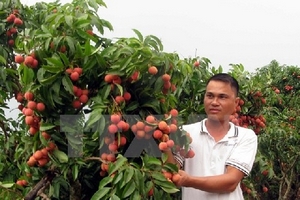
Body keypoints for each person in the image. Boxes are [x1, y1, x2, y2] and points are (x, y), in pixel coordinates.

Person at [166, 73, 258, 199]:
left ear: (236, 103)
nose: (214, 102)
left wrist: (188, 180)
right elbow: (173, 171)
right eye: (210, 96)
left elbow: (231, 182)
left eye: (222, 97)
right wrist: (164, 140)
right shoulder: (186, 133)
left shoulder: (245, 136)